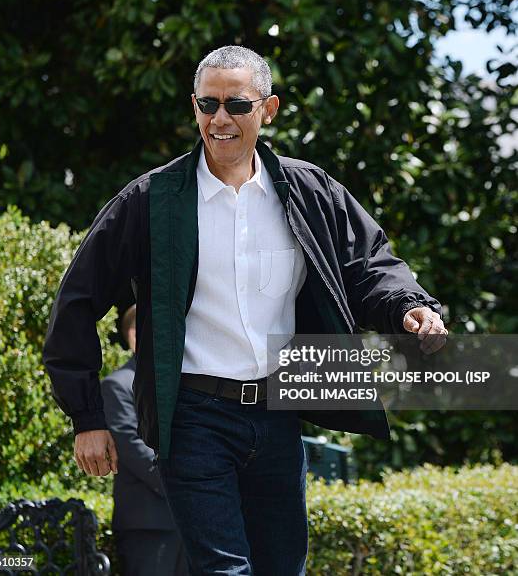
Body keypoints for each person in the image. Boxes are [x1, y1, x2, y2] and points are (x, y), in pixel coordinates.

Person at [43, 45, 447, 575]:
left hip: (278, 413)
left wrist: (409, 309)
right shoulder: (152, 199)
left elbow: (368, 266)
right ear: (194, 109)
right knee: (225, 572)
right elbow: (77, 301)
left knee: (283, 568)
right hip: (192, 418)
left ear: (268, 109)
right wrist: (87, 418)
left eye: (236, 104)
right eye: (208, 105)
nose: (221, 119)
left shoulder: (310, 192)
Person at [101, 303, 189, 576]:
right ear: (132, 335)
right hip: (149, 524)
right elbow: (133, 449)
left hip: (191, 522)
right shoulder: (117, 385)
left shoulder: (183, 382)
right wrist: (188, 484)